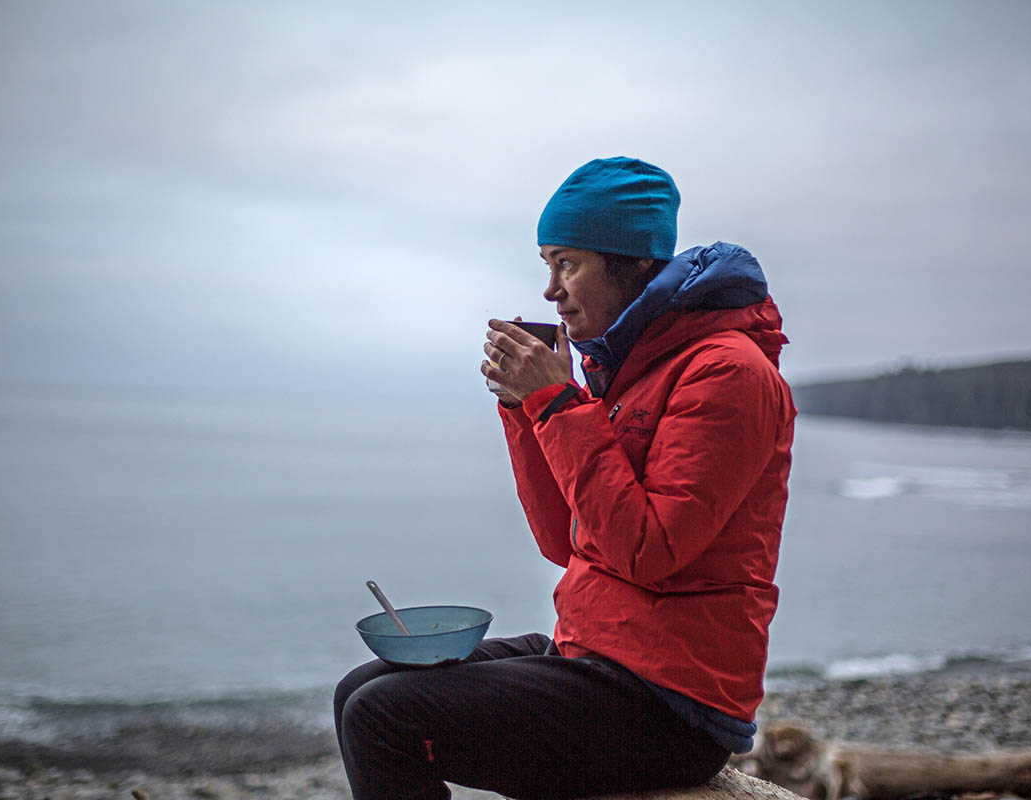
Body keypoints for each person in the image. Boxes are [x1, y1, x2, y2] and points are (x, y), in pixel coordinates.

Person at [334, 157, 796, 800]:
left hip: (670, 702)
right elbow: (567, 540)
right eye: (546, 265)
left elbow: (651, 551)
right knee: (359, 687)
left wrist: (555, 404)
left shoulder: (728, 373)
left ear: (631, 261)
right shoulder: (632, 366)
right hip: (598, 653)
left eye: (566, 264)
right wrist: (526, 410)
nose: (551, 290)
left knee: (384, 717)